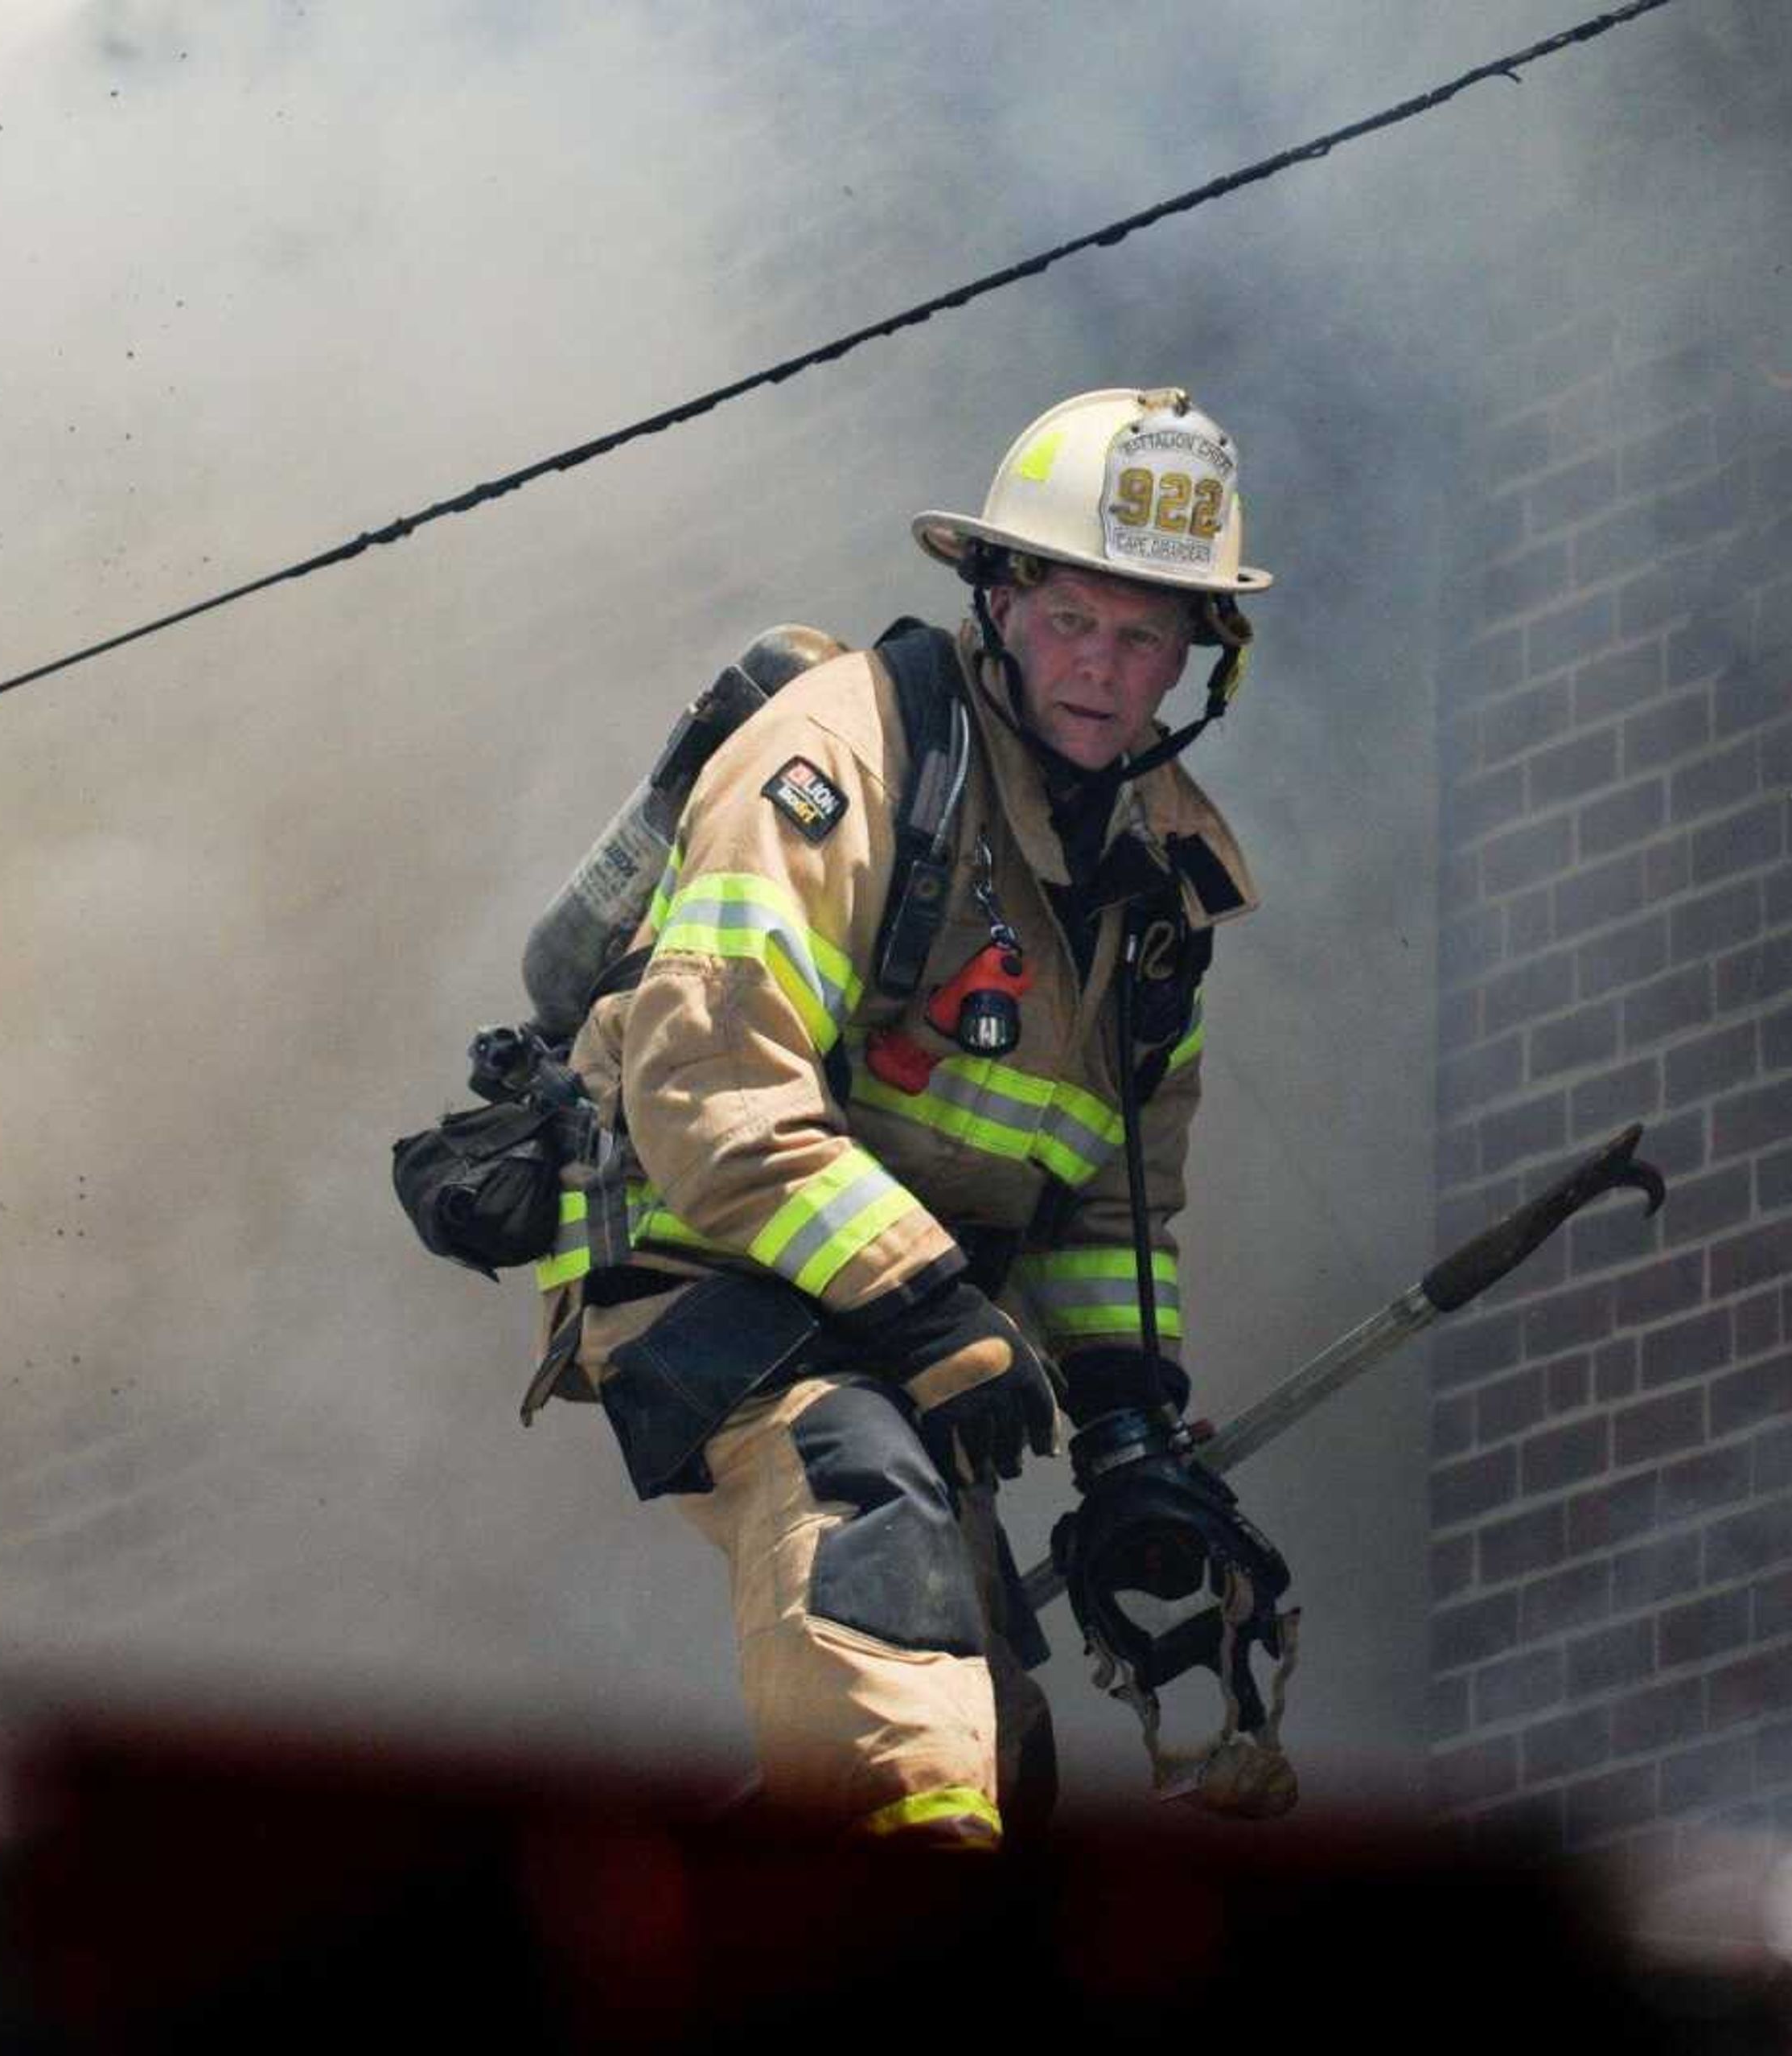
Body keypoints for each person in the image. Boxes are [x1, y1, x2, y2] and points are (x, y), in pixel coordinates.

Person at [524, 388, 1276, 1845]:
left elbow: (1108, 1205)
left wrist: (1129, 1429)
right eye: (1075, 621)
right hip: (713, 1269)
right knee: (875, 1539)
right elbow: (710, 1082)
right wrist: (932, 1307)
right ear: (1000, 597)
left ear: (1196, 658)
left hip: (916, 1321)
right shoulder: (849, 757)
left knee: (998, 1733)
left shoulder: (1163, 886)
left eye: (1145, 639)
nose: (1104, 673)